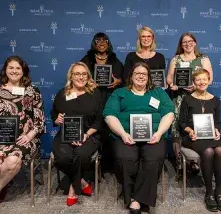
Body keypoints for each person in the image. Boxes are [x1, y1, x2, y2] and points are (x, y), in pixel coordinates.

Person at [103, 62, 174, 214]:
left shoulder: (158, 93)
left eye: (144, 74)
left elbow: (169, 113)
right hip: (125, 134)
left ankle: (136, 199)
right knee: (125, 158)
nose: (141, 76)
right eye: (137, 73)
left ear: (148, 77)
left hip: (154, 135)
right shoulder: (120, 93)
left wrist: (160, 133)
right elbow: (109, 115)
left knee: (154, 158)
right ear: (131, 76)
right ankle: (140, 197)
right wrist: (122, 133)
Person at [0, 55, 45, 208]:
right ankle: (5, 182)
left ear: (23, 71)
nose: (14, 71)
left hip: (23, 139)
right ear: (5, 70)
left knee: (12, 161)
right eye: (11, 68)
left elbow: (39, 119)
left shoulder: (32, 91)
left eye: (18, 68)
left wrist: (30, 135)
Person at [51, 62, 103, 206]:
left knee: (81, 154)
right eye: (77, 74)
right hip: (65, 136)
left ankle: (73, 189)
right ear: (71, 76)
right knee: (62, 158)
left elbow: (99, 120)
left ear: (88, 76)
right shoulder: (62, 94)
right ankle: (82, 182)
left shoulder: (95, 93)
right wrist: (57, 119)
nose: (80, 77)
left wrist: (85, 135)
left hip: (89, 135)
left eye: (83, 74)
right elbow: (54, 116)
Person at [178, 69, 221, 212]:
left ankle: (219, 192)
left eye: (204, 79)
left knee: (219, 150)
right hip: (192, 137)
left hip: (210, 136)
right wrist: (190, 131)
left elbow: (217, 122)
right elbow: (181, 122)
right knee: (208, 152)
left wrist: (217, 131)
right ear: (194, 82)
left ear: (209, 80)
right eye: (198, 80)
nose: (201, 82)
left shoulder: (215, 100)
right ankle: (209, 193)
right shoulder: (187, 99)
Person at [167, 32, 213, 174]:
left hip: (198, 98)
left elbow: (209, 78)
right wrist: (172, 85)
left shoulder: (203, 59)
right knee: (176, 129)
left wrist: (195, 86)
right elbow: (169, 78)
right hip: (179, 99)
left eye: (190, 41)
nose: (187, 44)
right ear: (181, 44)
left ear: (195, 42)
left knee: (196, 127)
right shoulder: (176, 59)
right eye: (184, 42)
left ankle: (194, 162)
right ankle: (180, 162)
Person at [80, 32, 124, 172]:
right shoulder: (87, 59)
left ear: (108, 43)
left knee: (110, 128)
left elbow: (122, 79)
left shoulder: (114, 59)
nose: (101, 42)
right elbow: (79, 76)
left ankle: (109, 163)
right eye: (98, 40)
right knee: (95, 126)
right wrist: (88, 81)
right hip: (92, 97)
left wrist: (119, 81)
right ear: (94, 43)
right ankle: (91, 162)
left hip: (110, 97)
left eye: (104, 40)